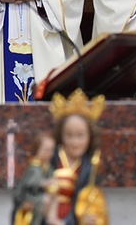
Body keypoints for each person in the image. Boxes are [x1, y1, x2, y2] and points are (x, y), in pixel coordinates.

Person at [46, 89, 108, 225]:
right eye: (69, 135)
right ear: (61, 135)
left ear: (89, 137)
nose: (75, 142)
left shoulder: (90, 166)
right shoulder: (51, 159)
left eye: (80, 136)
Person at [12, 132, 55, 225]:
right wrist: (44, 183)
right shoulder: (34, 167)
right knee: (45, 201)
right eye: (46, 150)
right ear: (37, 150)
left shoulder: (47, 166)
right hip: (28, 196)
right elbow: (30, 183)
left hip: (39, 195)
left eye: (51, 150)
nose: (49, 153)